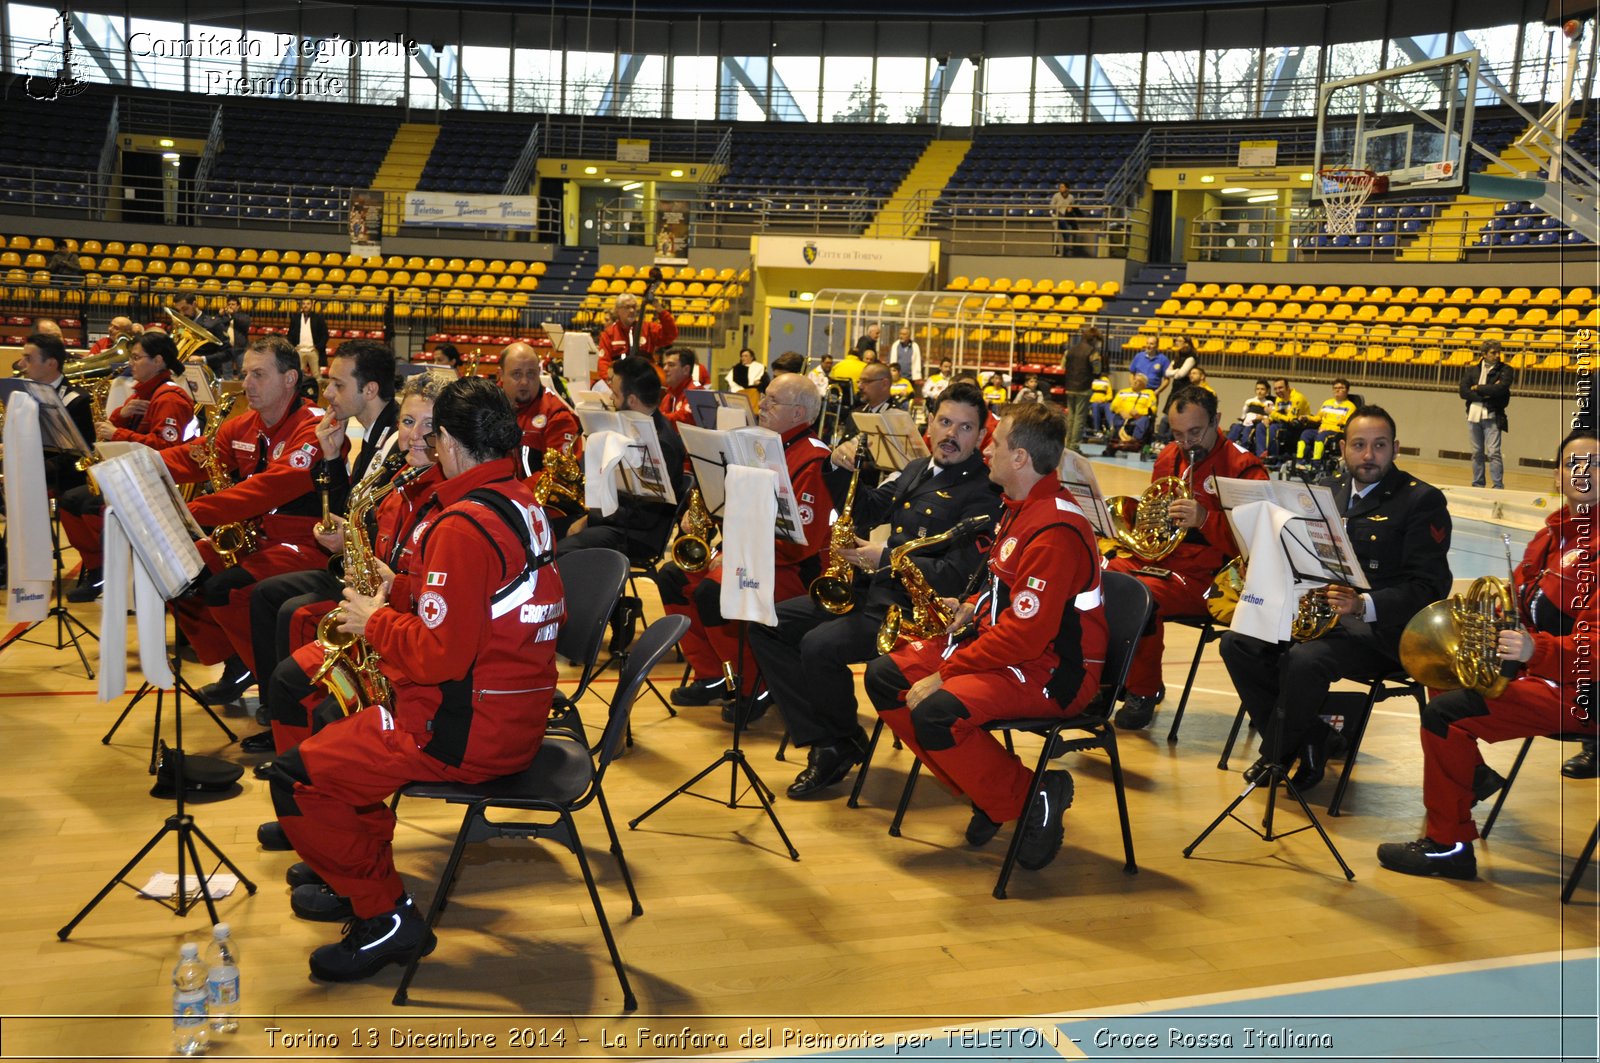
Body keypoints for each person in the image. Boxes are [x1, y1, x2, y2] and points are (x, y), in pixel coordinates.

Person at [268, 376, 565, 983]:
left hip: (462, 731)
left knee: (296, 778)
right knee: (333, 735)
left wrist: (375, 620)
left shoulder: (460, 524)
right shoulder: (519, 498)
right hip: (513, 711)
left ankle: (386, 917)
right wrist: (401, 587)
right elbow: (483, 602)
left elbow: (437, 660)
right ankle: (364, 883)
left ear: (451, 442)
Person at [863, 402, 1107, 868]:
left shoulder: (1054, 527)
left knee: (937, 711)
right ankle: (988, 790)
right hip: (1008, 650)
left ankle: (1031, 798)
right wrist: (971, 607)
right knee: (885, 677)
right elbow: (1007, 592)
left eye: (997, 442)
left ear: (1019, 458)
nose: (988, 450)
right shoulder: (1020, 508)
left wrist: (946, 672)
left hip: (1054, 671)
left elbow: (1026, 637)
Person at [749, 382, 1002, 798]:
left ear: (980, 436)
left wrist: (884, 557)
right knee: (767, 623)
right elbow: (868, 507)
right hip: (874, 594)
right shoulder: (919, 469)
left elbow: (955, 576)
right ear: (930, 423)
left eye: (965, 427)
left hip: (913, 614)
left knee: (818, 645)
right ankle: (831, 737)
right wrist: (837, 465)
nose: (951, 435)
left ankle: (833, 746)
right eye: (944, 422)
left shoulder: (984, 493)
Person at [1378, 429, 1597, 880]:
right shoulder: (1552, 536)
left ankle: (1449, 846)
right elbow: (1517, 599)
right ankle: (1471, 778)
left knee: (1447, 717)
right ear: (1557, 475)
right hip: (1545, 676)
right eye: (1573, 464)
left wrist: (1537, 648)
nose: (1583, 473)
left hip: (1582, 691)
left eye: (1595, 463)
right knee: (1444, 672)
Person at [1220, 407, 1453, 789]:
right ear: (1343, 448)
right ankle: (1314, 738)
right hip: (1318, 620)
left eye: (1379, 446)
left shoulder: (1421, 500)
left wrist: (1364, 605)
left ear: (1395, 448)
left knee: (1304, 660)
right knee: (1237, 643)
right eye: (1359, 445)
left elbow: (1429, 588)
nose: (1368, 455)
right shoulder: (1322, 490)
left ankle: (1276, 754)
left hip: (1379, 633)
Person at [251, 369, 452, 778]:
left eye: (429, 425)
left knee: (329, 710)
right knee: (286, 680)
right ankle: (294, 771)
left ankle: (317, 779)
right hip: (377, 619)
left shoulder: (448, 493)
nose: (415, 435)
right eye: (408, 422)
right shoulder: (397, 479)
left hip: (404, 636)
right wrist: (352, 542)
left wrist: (390, 587)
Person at [162, 337, 335, 708]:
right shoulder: (243, 425)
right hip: (254, 539)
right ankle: (238, 661)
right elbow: (197, 456)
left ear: (290, 379)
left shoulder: (315, 428)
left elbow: (268, 489)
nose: (247, 384)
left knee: (227, 588)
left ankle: (272, 686)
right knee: (180, 568)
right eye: (245, 374)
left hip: (305, 545)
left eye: (258, 374)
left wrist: (191, 512)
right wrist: (140, 461)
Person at [234, 340, 401, 716]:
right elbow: (349, 508)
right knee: (265, 595)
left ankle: (291, 713)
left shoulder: (394, 441)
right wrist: (330, 456)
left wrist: (351, 538)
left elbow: (386, 524)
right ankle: (272, 707)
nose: (327, 393)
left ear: (369, 390)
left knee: (291, 609)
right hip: (355, 561)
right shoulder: (371, 434)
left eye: (338, 385)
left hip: (376, 576)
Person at [654, 373, 836, 711]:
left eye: (772, 400)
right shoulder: (760, 444)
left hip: (796, 571)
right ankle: (713, 674)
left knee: (713, 591)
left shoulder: (815, 460)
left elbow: (801, 545)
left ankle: (756, 685)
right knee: (673, 578)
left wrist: (734, 555)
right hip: (754, 557)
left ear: (798, 413)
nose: (761, 404)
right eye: (764, 397)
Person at [1103, 387, 1268, 730]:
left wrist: (1206, 520)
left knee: (1140, 596)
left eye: (1195, 432)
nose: (1187, 442)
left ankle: (1143, 691)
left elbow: (1257, 544)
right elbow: (1152, 522)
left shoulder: (1244, 467)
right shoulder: (1168, 457)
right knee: (1097, 576)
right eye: (1178, 434)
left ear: (1217, 420)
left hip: (1212, 579)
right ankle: (1107, 680)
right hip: (1165, 562)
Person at [59, 331, 197, 601]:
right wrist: (119, 416)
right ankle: (97, 570)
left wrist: (118, 434)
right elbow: (108, 430)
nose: (130, 363)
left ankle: (113, 570)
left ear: (158, 360)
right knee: (69, 501)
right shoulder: (143, 393)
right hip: (131, 475)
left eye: (136, 357)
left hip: (153, 483)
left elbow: (166, 450)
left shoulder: (169, 398)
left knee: (91, 506)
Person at [559, 356, 688, 566]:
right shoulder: (634, 427)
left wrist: (590, 518)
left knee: (563, 552)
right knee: (548, 529)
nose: (611, 399)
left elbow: (643, 516)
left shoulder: (661, 443)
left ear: (632, 400)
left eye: (615, 394)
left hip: (638, 535)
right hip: (617, 522)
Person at [15, 332, 94, 493]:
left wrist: (30, 466)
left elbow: (78, 454)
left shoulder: (77, 400)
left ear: (51, 363)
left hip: (61, 476)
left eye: (28, 359)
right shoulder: (22, 394)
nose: (21, 364)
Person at [500, 342, 581, 496]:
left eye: (531, 374)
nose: (524, 381)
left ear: (539, 373)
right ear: (501, 374)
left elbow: (560, 475)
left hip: (537, 505)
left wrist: (511, 496)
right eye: (516, 374)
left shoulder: (557, 416)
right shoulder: (486, 404)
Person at [1460, 338, 1514, 490]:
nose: (1497, 355)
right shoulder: (1472, 370)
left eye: (1498, 352)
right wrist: (1485, 393)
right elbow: (1463, 391)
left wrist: (1477, 387)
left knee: (1493, 453)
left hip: (1492, 415)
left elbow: (1501, 389)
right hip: (1473, 415)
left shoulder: (1505, 370)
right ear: (1483, 354)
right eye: (1493, 353)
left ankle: (1497, 485)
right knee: (1477, 452)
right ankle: (1478, 484)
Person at [596, 291, 677, 383]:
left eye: (634, 307)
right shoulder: (609, 333)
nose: (632, 310)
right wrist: (611, 381)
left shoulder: (648, 328)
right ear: (617, 310)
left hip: (645, 380)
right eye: (627, 307)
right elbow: (603, 362)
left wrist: (660, 309)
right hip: (619, 380)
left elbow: (671, 334)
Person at [1060, 326, 1102, 451]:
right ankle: (1074, 446)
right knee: (1079, 418)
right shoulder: (1092, 352)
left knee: (1071, 416)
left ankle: (1067, 444)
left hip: (1069, 386)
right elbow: (1097, 370)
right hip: (1084, 388)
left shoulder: (1070, 350)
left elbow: (1062, 367)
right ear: (1093, 339)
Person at [1299, 378, 1356, 465]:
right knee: (1305, 434)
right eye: (1335, 388)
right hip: (1322, 429)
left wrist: (1327, 428)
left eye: (1341, 388)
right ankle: (1300, 460)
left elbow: (1345, 424)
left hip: (1336, 432)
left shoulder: (1350, 406)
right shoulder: (1327, 403)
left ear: (1347, 390)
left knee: (1321, 436)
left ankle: (1316, 462)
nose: (1338, 390)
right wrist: (1307, 417)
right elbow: (1318, 418)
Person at [1264, 377, 1313, 464]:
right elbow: (1278, 414)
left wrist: (1272, 413)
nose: (1278, 391)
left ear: (1287, 387)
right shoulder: (1279, 399)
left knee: (1273, 428)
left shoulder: (1298, 398)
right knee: (1261, 426)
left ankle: (1273, 457)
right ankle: (1262, 454)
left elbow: (1291, 419)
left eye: (1280, 388)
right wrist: (1269, 419)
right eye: (1275, 389)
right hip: (1284, 424)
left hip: (1298, 427)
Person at [1107, 372, 1157, 451]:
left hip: (1139, 417)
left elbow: (1153, 409)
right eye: (1134, 379)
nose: (1134, 382)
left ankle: (1134, 443)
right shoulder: (1122, 392)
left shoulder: (1149, 393)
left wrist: (1139, 412)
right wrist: (1121, 411)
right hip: (1122, 417)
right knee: (1116, 419)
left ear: (1143, 384)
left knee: (1144, 420)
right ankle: (1116, 442)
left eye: (1138, 381)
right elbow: (1113, 405)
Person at [1226, 379, 1274, 454]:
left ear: (1267, 391)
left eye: (1262, 389)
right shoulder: (1249, 401)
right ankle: (1226, 448)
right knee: (1235, 428)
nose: (1259, 391)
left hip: (1255, 425)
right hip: (1244, 423)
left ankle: (1243, 453)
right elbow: (1243, 414)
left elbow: (1270, 416)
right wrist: (1241, 421)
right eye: (1257, 389)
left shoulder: (1268, 403)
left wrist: (1262, 417)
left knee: (1246, 435)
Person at [659, 347, 703, 427]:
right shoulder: (668, 396)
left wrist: (655, 418)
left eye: (671, 365)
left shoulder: (696, 392)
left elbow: (683, 420)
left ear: (686, 370)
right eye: (664, 365)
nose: (665, 369)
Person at [288, 298, 329, 377]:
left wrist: (318, 347)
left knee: (317, 375)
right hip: (299, 350)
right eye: (303, 304)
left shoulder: (318, 317)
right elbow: (290, 334)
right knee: (298, 376)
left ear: (312, 305)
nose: (305, 306)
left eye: (308, 304)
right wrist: (293, 347)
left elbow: (325, 335)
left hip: (313, 351)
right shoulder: (295, 318)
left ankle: (318, 389)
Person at [216, 297, 251, 379]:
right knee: (226, 373)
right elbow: (214, 325)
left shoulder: (244, 316)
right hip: (226, 349)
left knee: (243, 372)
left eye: (233, 304)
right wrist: (219, 315)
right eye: (229, 304)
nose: (230, 306)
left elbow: (245, 324)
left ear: (238, 306)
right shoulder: (224, 317)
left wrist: (233, 315)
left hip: (240, 349)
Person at [1049, 181, 1078, 257]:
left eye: (1062, 187)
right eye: (1060, 187)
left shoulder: (1071, 197)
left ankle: (1065, 252)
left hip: (1066, 218)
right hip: (1056, 216)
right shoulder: (1056, 196)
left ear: (1067, 188)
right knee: (1056, 235)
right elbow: (1051, 207)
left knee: (1067, 234)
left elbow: (1072, 207)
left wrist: (1070, 210)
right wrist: (1059, 213)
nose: (1060, 188)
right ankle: (1056, 252)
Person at [1087, 372, 1114, 439]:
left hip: (1104, 402)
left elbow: (1110, 395)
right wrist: (1094, 400)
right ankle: (1097, 430)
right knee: (1095, 406)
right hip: (1092, 402)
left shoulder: (1106, 380)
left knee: (1108, 406)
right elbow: (1087, 393)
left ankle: (1112, 428)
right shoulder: (1089, 378)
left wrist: (1103, 399)